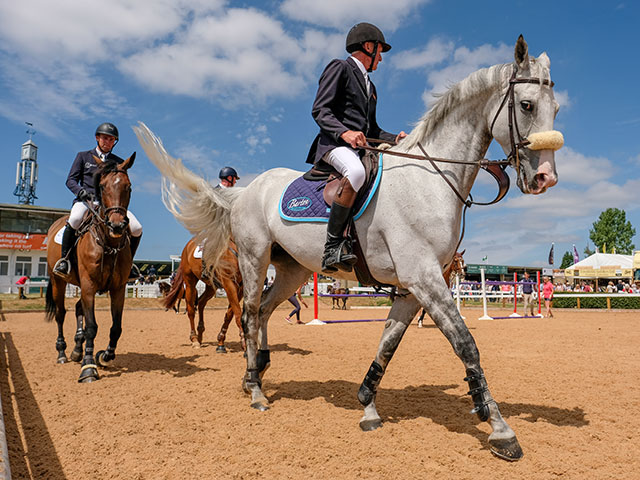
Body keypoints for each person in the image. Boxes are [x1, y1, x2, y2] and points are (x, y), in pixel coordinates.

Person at [306, 22, 406, 273]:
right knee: (356, 172)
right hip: (333, 145)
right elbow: (320, 110)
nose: (381, 59)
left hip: (358, 147)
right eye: (380, 51)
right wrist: (345, 133)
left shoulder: (371, 88)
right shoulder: (340, 67)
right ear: (368, 46)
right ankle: (332, 247)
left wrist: (397, 139)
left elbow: (372, 130)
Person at [53, 123, 143, 278]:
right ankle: (64, 260)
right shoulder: (83, 156)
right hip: (86, 201)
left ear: (114, 142)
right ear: (97, 138)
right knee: (74, 219)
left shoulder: (118, 162)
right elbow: (70, 180)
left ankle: (129, 263)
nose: (107, 142)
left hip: (111, 205)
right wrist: (80, 191)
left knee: (136, 228)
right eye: (105, 138)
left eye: (111, 139)